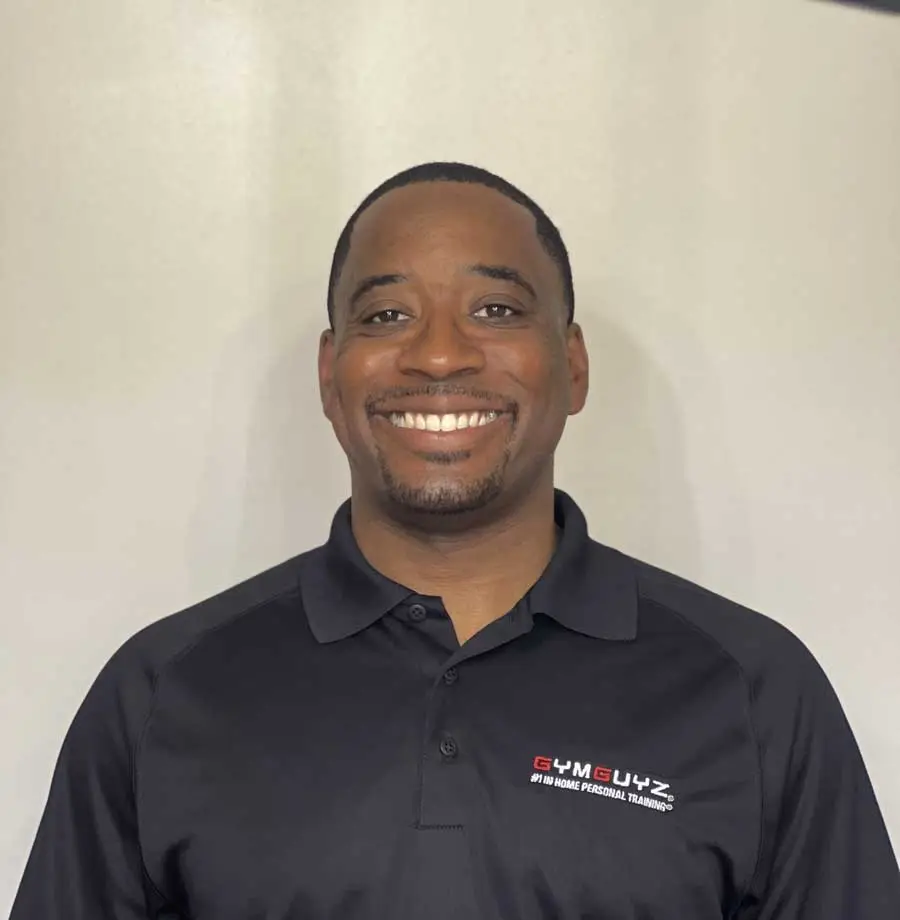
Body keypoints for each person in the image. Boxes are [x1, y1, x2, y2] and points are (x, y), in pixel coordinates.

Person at [11, 161, 899, 919]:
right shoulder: (165, 693)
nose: (439, 356)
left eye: (498, 310)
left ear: (573, 365)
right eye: (386, 316)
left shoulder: (751, 690)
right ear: (329, 374)